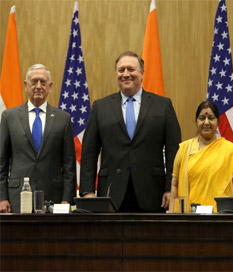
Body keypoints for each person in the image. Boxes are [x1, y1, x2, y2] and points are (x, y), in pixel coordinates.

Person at [79, 51, 181, 212]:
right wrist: (88, 192)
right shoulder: (100, 107)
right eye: (121, 70)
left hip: (153, 194)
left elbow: (173, 152)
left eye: (131, 69)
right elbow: (89, 153)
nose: (126, 74)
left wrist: (170, 188)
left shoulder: (163, 105)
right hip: (110, 194)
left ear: (142, 73)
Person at [0, 64, 76, 213]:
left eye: (43, 82)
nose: (39, 86)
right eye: (34, 82)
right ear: (26, 86)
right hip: (16, 197)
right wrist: (2, 197)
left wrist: (67, 199)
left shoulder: (63, 118)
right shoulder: (9, 117)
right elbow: (1, 162)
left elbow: (69, 165)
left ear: (50, 86)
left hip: (53, 197)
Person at [169, 101, 233, 213]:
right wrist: (173, 216)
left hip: (223, 217)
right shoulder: (184, 149)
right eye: (202, 118)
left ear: (218, 122)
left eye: (211, 118)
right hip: (191, 218)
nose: (206, 122)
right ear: (196, 121)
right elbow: (174, 184)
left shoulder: (232, 151)